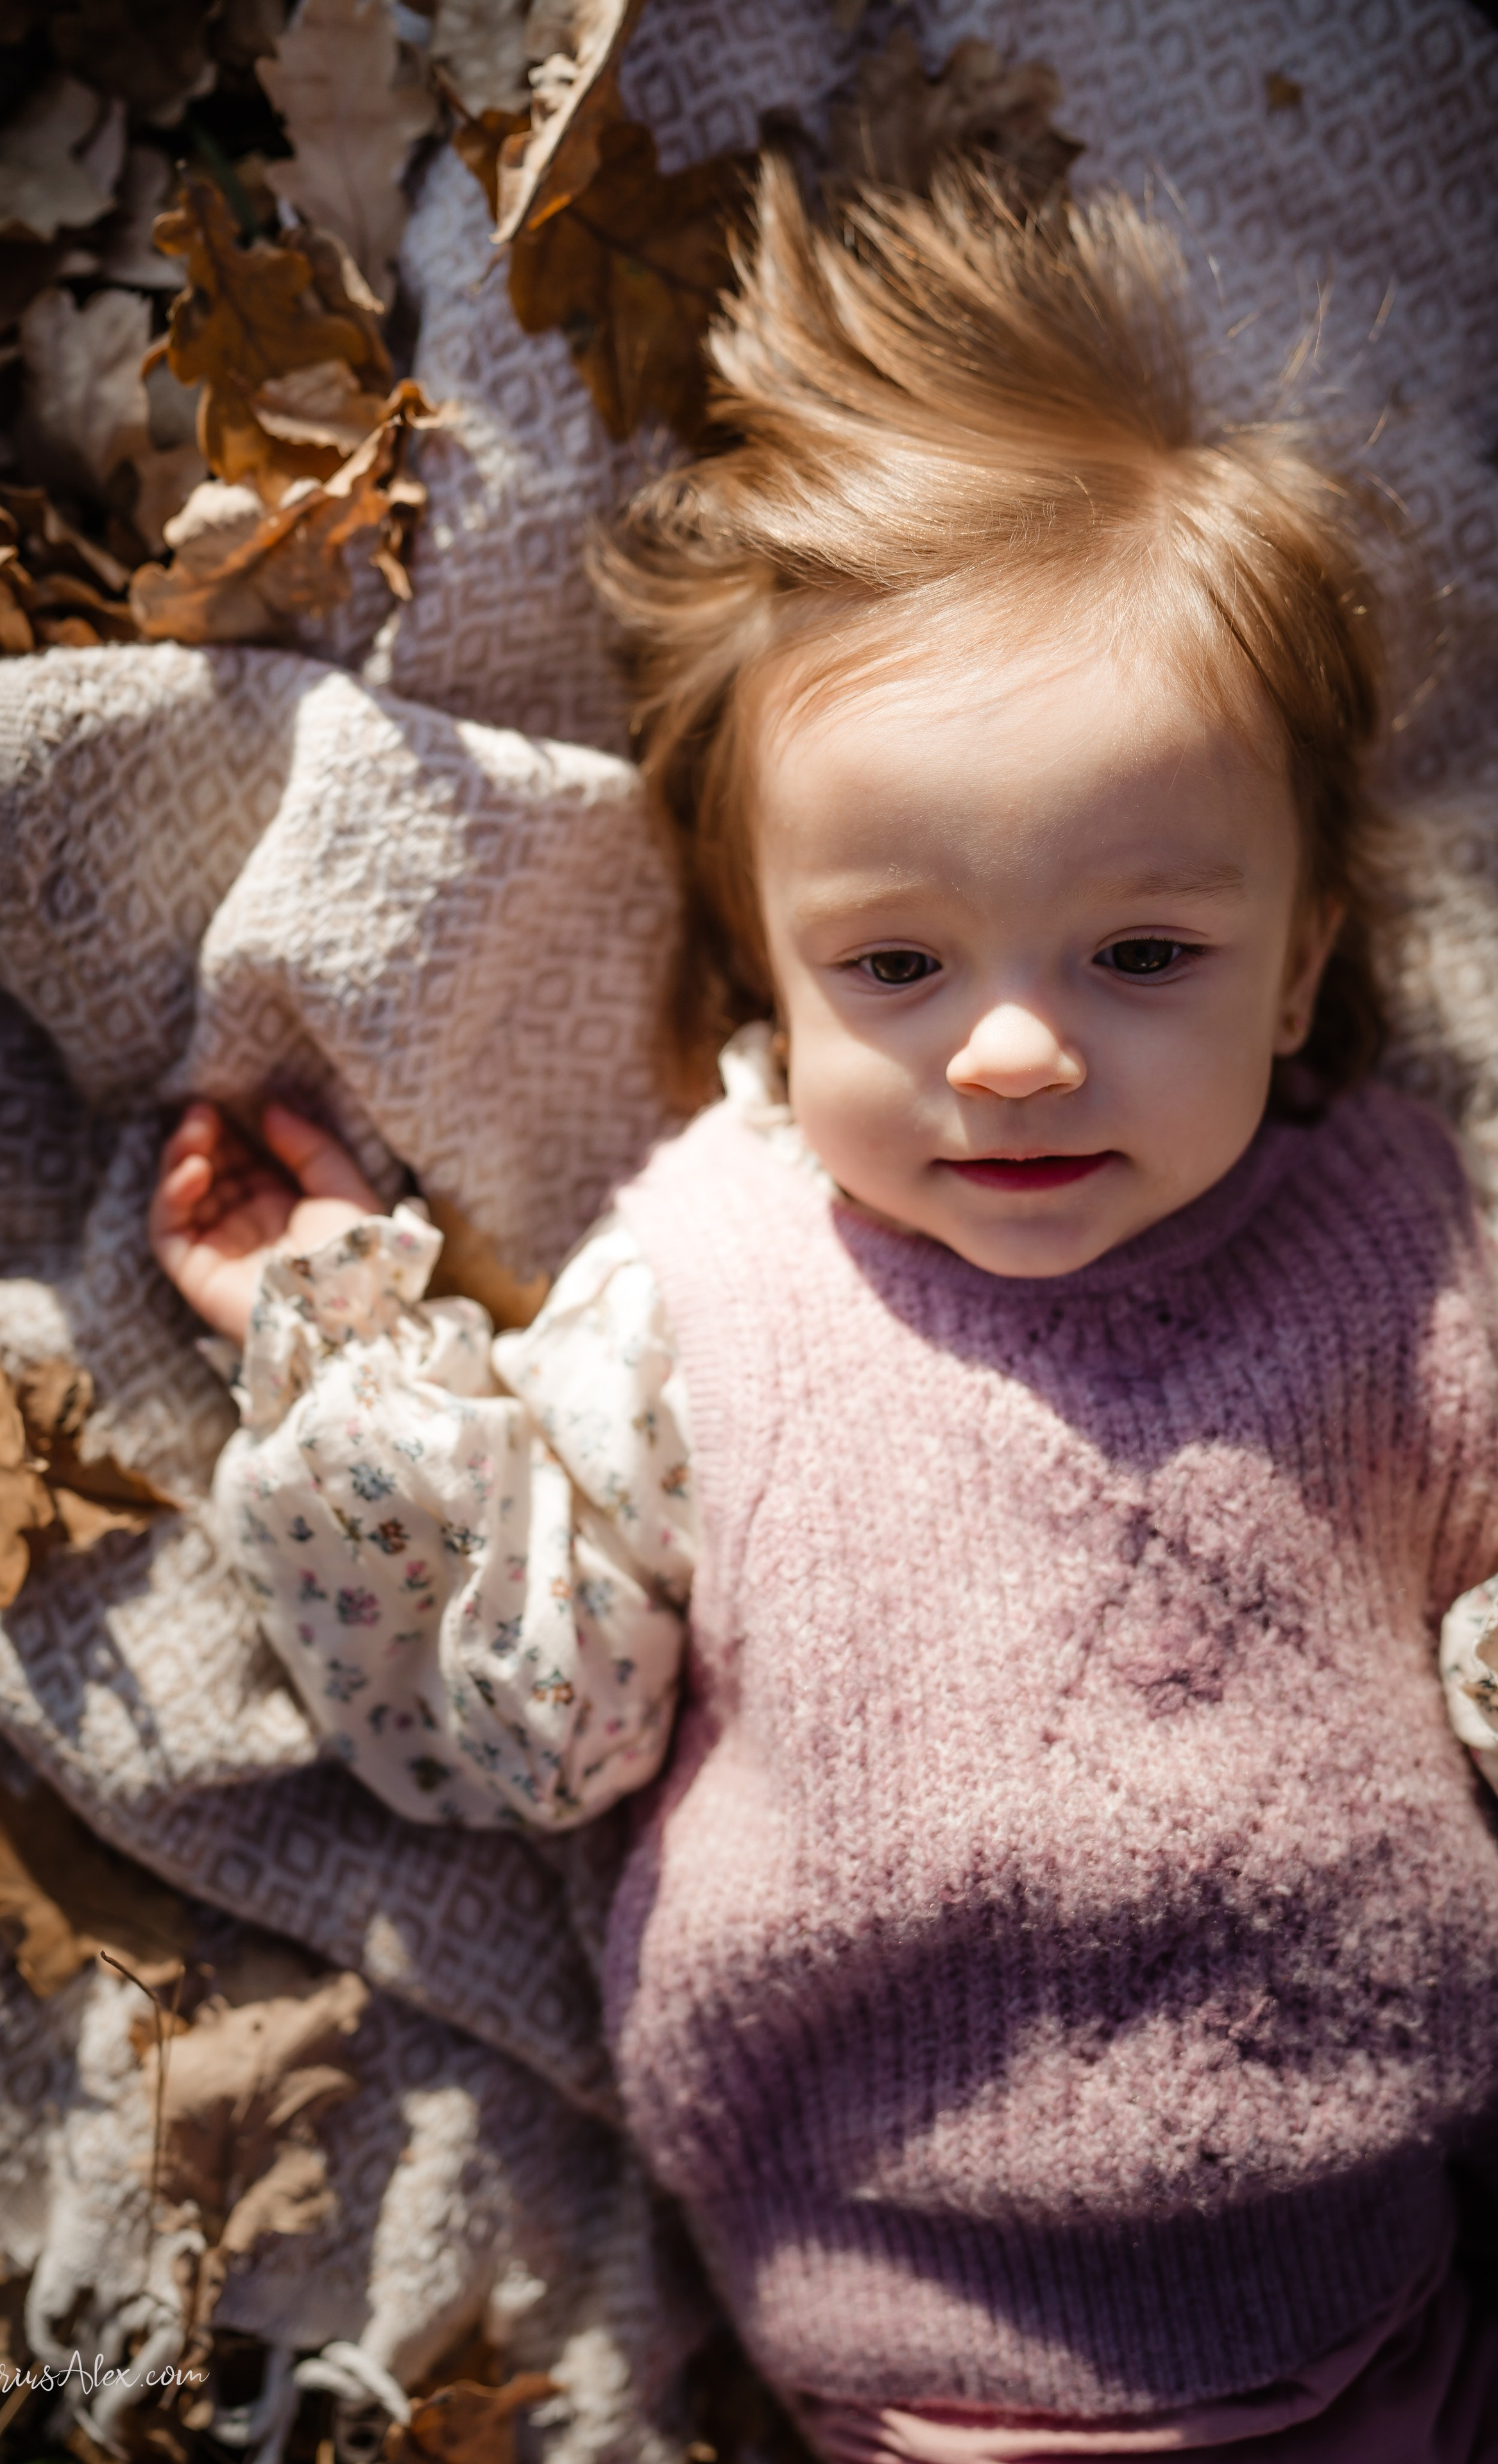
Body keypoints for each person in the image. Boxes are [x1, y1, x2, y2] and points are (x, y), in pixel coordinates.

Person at [149, 164, 1498, 2460]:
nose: (1014, 1053)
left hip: (1381, 2295)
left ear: (1296, 961)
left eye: (1144, 956)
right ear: (769, 964)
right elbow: (523, 1715)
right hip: (903, 2341)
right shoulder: (719, 1280)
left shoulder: (1400, 1241)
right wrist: (341, 1370)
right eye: (897, 965)